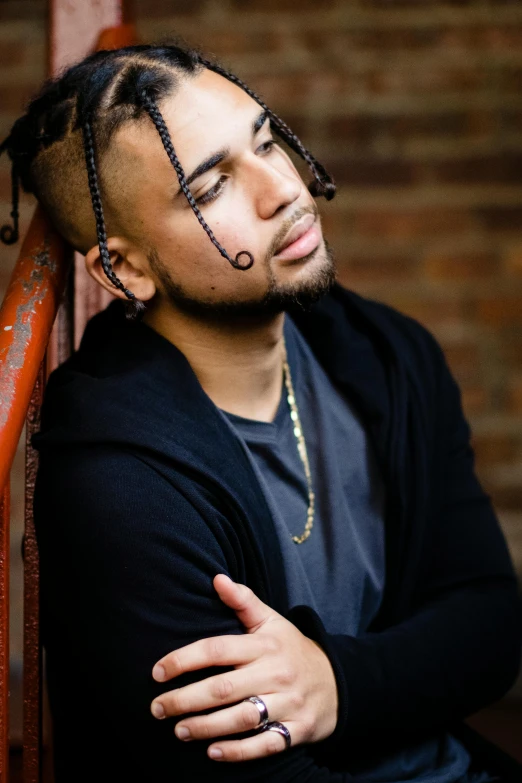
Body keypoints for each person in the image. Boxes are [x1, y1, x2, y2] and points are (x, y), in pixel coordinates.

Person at [1, 42, 521, 783]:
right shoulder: (116, 484)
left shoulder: (386, 357)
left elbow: (491, 627)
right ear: (126, 270)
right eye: (211, 187)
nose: (281, 187)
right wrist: (404, 672)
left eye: (267, 140)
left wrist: (339, 682)